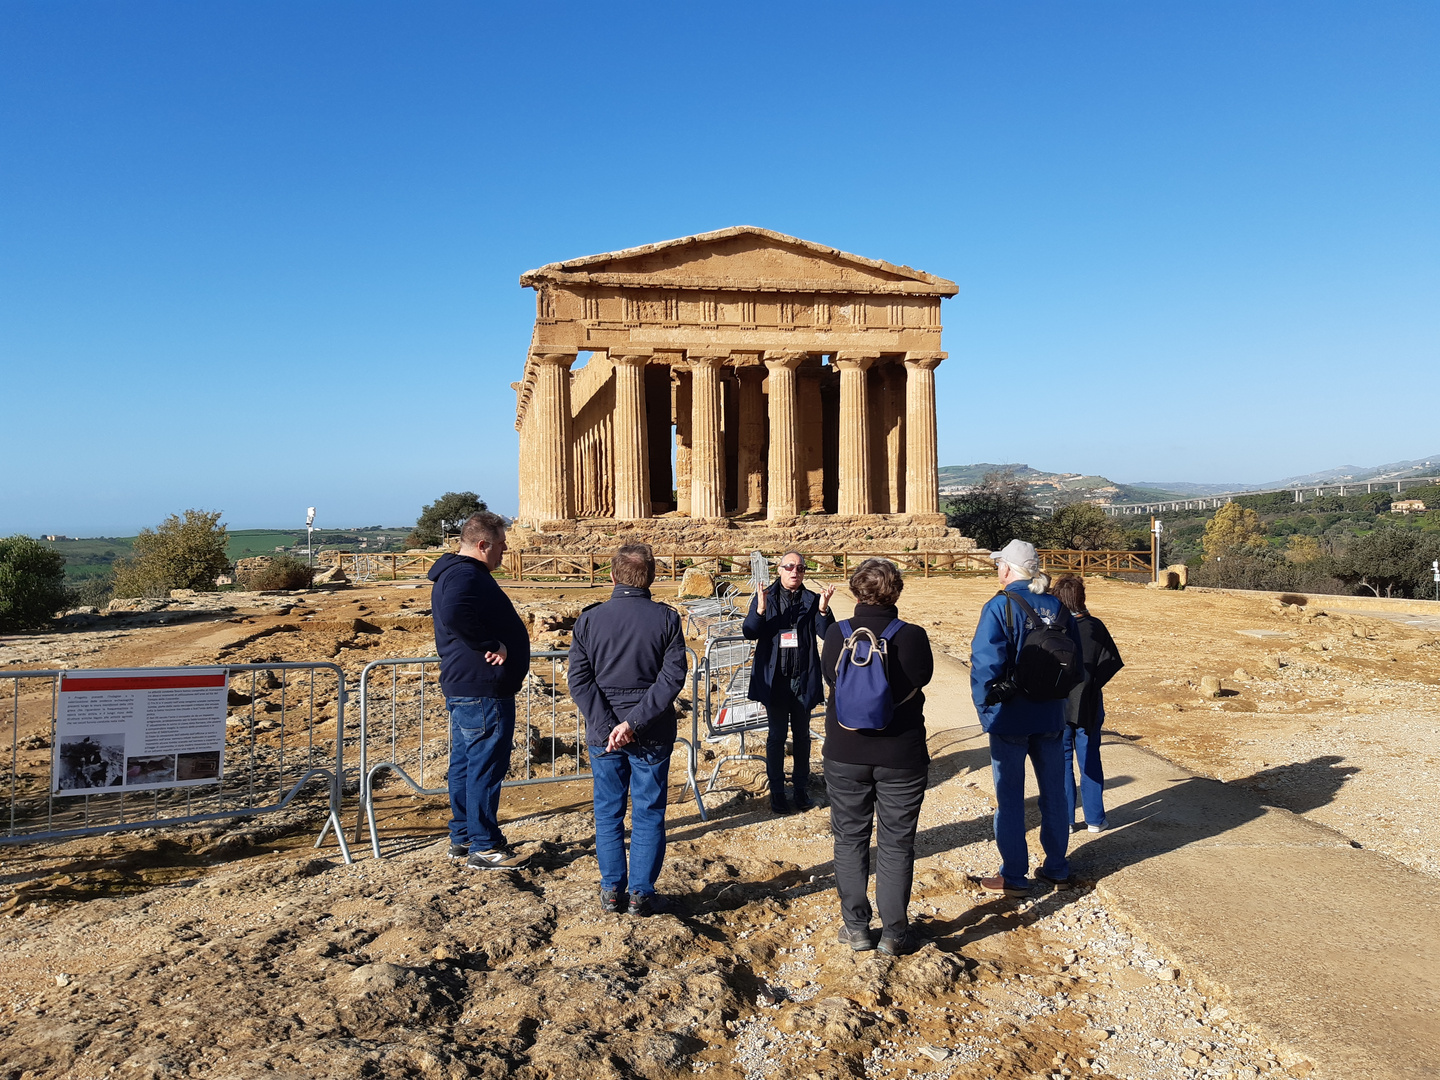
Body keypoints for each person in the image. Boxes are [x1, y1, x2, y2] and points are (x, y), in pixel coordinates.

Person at [568, 543, 688, 917]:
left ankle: (611, 890)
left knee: (608, 812)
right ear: (650, 578)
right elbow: (672, 678)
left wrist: (609, 727)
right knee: (649, 812)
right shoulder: (666, 619)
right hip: (650, 730)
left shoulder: (589, 620)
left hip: (604, 733)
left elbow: (579, 680)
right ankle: (640, 894)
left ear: (613, 576)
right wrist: (632, 724)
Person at [821, 558, 934, 956]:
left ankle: (855, 928)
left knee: (849, 840)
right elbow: (921, 680)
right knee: (896, 843)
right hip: (901, 755)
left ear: (855, 592)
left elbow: (832, 680)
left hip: (845, 752)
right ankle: (893, 933)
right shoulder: (915, 637)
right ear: (897, 591)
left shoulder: (837, 634)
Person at [969, 538, 1083, 895]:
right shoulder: (1060, 608)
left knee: (1011, 798)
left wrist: (988, 713)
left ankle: (1014, 876)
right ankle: (1057, 868)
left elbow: (985, 665)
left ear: (1006, 569)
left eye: (998, 565)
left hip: (1011, 718)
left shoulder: (1001, 606)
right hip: (1051, 715)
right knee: (1054, 794)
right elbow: (1076, 663)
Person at [428, 511, 532, 870]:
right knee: (485, 767)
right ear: (483, 544)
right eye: (502, 544)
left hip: (469, 685)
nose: (505, 552)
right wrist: (490, 643)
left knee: (465, 763)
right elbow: (456, 613)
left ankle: (464, 836)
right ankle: (485, 846)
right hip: (483, 688)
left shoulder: (457, 572)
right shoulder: (463, 575)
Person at [743, 550, 836, 814]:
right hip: (775, 680)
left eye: (801, 568)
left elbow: (827, 634)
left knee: (803, 737)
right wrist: (760, 610)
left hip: (802, 679)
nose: (795, 572)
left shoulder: (812, 599)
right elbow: (750, 632)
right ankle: (777, 792)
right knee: (776, 737)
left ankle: (800, 789)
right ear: (780, 570)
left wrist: (823, 610)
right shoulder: (766, 597)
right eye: (790, 567)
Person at [1050, 575, 1125, 833]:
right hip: (1089, 702)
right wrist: (1092, 683)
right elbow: (1112, 662)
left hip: (1059, 704)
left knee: (1062, 762)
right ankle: (1095, 818)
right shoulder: (1095, 626)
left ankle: (1067, 819)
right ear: (1082, 598)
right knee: (1090, 758)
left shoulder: (1054, 629)